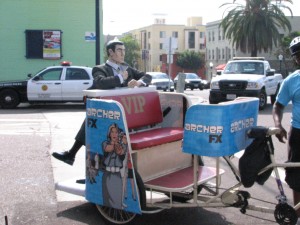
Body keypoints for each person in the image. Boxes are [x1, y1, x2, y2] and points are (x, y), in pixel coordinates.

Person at [52, 37, 152, 165]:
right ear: (110, 52)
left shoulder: (128, 68)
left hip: (124, 110)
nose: (123, 53)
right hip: (107, 109)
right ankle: (84, 165)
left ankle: (72, 155)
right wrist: (120, 78)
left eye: (124, 50)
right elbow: (100, 82)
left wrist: (139, 82)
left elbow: (147, 76)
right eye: (119, 50)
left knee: (91, 122)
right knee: (92, 124)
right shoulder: (100, 69)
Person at [272, 36, 300, 220]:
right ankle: (297, 214)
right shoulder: (291, 81)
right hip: (299, 134)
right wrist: (277, 124)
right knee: (297, 179)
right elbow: (278, 106)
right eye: (298, 55)